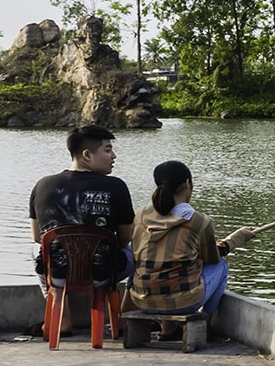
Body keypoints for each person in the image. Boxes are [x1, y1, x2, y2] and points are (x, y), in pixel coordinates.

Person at [29, 124, 136, 334]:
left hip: (59, 273)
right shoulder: (116, 187)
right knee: (141, 247)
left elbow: (36, 236)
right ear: (87, 154)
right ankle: (125, 315)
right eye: (107, 150)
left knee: (36, 249)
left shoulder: (42, 185)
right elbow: (125, 239)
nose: (113, 156)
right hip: (103, 273)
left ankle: (63, 317)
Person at [130, 160, 255, 329]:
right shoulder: (199, 221)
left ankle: (168, 331)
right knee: (222, 265)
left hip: (141, 301)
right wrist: (237, 239)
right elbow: (212, 258)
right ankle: (207, 323)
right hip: (184, 303)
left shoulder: (140, 217)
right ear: (187, 183)